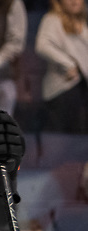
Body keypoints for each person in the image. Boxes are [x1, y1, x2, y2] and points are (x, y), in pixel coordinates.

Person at [35, 0, 88, 133]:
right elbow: (42, 46)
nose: (74, 1)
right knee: (67, 140)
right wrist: (68, 64)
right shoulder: (52, 19)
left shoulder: (83, 20)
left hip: (82, 87)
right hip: (64, 88)